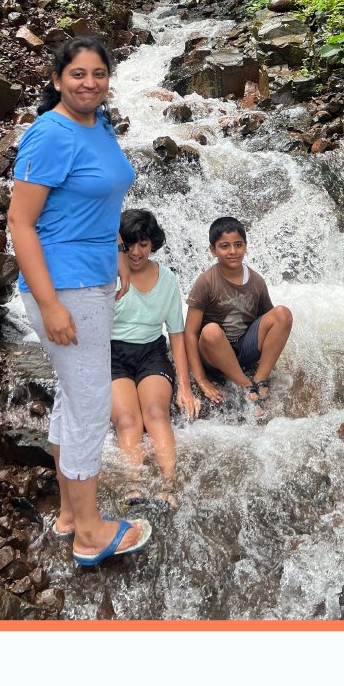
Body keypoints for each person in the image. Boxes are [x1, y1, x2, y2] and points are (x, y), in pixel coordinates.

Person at [7, 36, 152, 567]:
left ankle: (70, 514)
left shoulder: (100, 125)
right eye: (77, 75)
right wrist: (48, 304)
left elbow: (100, 199)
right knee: (92, 403)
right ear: (56, 80)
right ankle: (91, 534)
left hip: (92, 278)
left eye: (98, 73)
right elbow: (20, 224)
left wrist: (115, 250)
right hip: (63, 286)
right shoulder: (48, 135)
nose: (89, 83)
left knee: (74, 396)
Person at [111, 208, 197, 506]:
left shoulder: (168, 280)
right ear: (120, 244)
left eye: (144, 245)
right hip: (112, 356)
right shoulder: (108, 275)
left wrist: (184, 386)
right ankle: (132, 484)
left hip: (152, 353)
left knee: (156, 414)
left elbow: (176, 334)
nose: (136, 252)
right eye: (130, 245)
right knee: (127, 420)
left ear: (153, 244)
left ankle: (170, 483)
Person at [184, 216, 293, 410]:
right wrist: (201, 379)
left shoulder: (256, 281)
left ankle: (260, 378)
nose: (232, 251)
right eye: (224, 246)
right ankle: (245, 384)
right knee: (210, 330)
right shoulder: (206, 282)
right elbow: (190, 333)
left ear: (245, 246)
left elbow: (270, 321)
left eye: (238, 245)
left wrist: (271, 362)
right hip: (214, 355)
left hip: (244, 350)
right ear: (213, 250)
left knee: (283, 314)